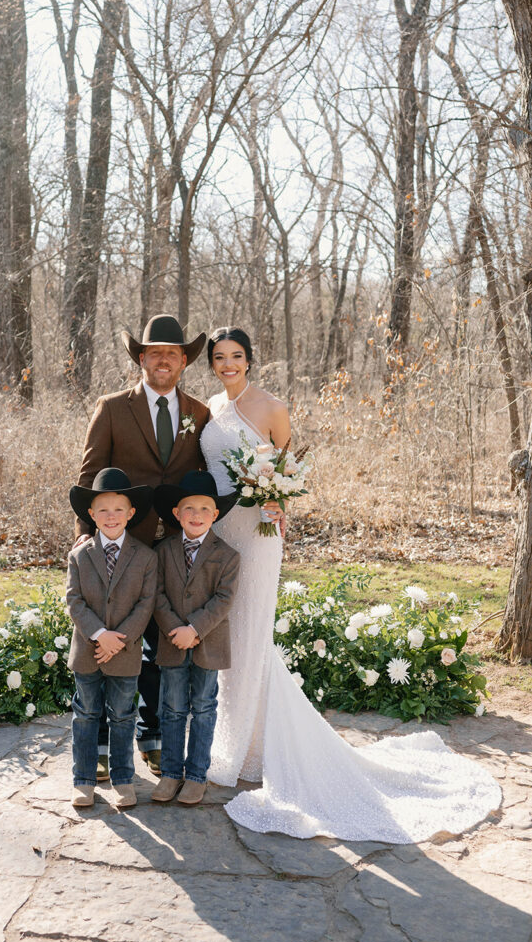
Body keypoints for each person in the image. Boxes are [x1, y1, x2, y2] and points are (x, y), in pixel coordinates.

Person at [200, 326, 501, 843]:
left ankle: (256, 751)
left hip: (257, 533)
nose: (229, 364)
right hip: (216, 532)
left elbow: (286, 474)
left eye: (237, 356)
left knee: (251, 634)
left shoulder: (271, 407)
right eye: (220, 357)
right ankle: (233, 740)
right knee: (226, 634)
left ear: (251, 360)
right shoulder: (208, 408)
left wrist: (278, 503)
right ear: (211, 363)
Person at [75, 314, 210, 779]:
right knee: (110, 643)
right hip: (120, 544)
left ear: (184, 361)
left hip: (174, 546)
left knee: (160, 644)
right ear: (142, 358)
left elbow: (202, 482)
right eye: (155, 353)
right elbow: (89, 476)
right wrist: (85, 542)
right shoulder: (113, 407)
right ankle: (100, 748)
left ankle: (151, 738)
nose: (164, 361)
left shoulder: (198, 412)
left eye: (173, 353)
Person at [66, 468, 157, 810]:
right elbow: (74, 601)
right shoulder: (79, 555)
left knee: (122, 716)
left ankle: (123, 780)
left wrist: (119, 640)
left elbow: (146, 603)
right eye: (103, 509)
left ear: (131, 513)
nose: (111, 516)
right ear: (91, 514)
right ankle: (84, 781)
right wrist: (100, 635)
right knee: (86, 714)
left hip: (126, 650)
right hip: (88, 650)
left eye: (119, 509)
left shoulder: (145, 557)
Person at [150, 471, 240, 805]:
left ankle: (197, 775)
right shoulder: (163, 551)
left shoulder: (228, 555)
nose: (197, 515)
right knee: (171, 708)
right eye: (189, 508)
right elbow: (156, 594)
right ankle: (171, 774)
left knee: (203, 707)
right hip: (172, 640)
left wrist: (195, 629)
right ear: (176, 513)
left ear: (215, 514)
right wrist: (176, 628)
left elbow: (224, 599)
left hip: (209, 643)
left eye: (205, 509)